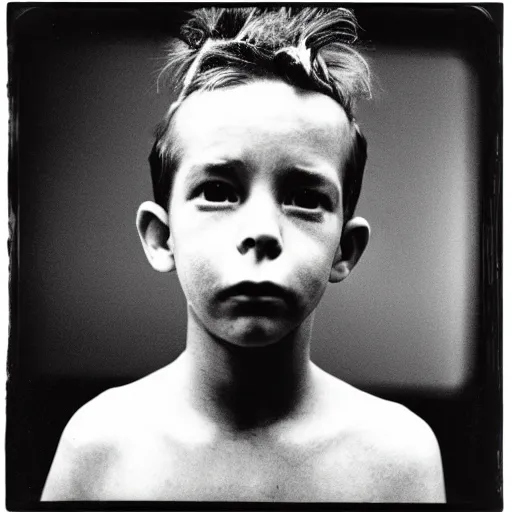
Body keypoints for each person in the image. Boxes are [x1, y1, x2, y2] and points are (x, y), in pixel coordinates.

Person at [41, 7, 446, 502]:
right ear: (160, 236)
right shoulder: (99, 446)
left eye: (305, 199)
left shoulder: (399, 459)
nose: (261, 233)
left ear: (345, 248)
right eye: (217, 190)